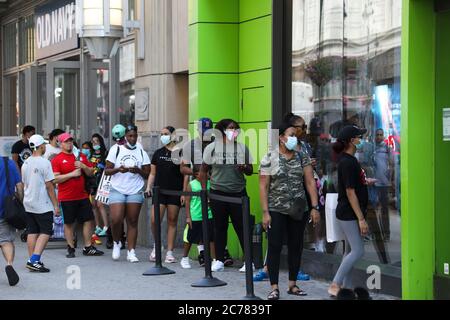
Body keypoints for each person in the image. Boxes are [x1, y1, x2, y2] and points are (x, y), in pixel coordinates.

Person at [259, 122, 320, 300]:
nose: (294, 138)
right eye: (291, 134)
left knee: (296, 246)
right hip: (276, 209)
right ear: (281, 137)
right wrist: (265, 212)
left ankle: (292, 284)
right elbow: (263, 187)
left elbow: (310, 182)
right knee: (275, 246)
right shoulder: (269, 157)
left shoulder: (302, 157)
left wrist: (315, 207)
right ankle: (274, 287)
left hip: (298, 209)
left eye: (295, 135)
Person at [200, 119, 253, 272]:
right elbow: (203, 171)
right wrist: (205, 192)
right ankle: (219, 260)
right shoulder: (211, 148)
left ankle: (249, 261)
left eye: (236, 129)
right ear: (222, 131)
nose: (234, 131)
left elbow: (250, 170)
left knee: (242, 227)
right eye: (231, 128)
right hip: (218, 192)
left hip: (238, 193)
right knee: (219, 227)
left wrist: (244, 168)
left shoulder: (243, 148)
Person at [328, 125, 370, 297]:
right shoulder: (348, 162)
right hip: (349, 214)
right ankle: (335, 284)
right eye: (359, 137)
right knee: (358, 251)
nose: (362, 140)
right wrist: (361, 219)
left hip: (348, 212)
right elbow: (350, 192)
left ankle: (348, 288)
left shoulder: (349, 160)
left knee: (349, 252)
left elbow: (353, 186)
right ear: (352, 141)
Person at [51, 133, 104, 258]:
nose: (69, 143)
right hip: (66, 197)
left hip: (82, 195)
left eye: (70, 141)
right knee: (68, 223)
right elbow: (55, 179)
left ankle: (87, 247)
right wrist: (72, 174)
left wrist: (84, 166)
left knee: (88, 220)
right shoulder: (57, 159)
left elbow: (91, 173)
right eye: (66, 141)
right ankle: (70, 247)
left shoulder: (80, 156)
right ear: (60, 144)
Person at [105, 125, 150, 262]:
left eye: (135, 136)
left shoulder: (141, 151)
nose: (133, 138)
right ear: (125, 136)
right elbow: (107, 171)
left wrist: (138, 170)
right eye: (130, 136)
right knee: (116, 219)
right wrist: (119, 169)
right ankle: (117, 242)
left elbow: (147, 173)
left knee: (132, 221)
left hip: (135, 189)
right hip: (118, 188)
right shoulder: (116, 149)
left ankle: (131, 251)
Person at [146, 126, 186, 263]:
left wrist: (184, 193)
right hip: (159, 191)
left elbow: (185, 174)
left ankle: (170, 252)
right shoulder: (157, 153)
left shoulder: (180, 152)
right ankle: (157, 246)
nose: (163, 136)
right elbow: (152, 173)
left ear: (173, 135)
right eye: (161, 134)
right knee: (154, 219)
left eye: (166, 134)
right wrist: (148, 187)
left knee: (172, 220)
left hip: (175, 191)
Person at [22, 135, 60, 272]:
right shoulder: (45, 163)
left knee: (32, 231)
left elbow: (25, 183)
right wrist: (55, 204)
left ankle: (31, 260)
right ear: (41, 146)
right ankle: (34, 260)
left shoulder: (26, 163)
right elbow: (49, 186)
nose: (45, 147)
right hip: (42, 203)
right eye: (43, 145)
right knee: (46, 231)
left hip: (29, 201)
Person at [180, 118, 215, 266]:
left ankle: (214, 255)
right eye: (203, 131)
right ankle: (200, 252)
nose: (206, 134)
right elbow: (182, 168)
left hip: (215, 185)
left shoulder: (217, 144)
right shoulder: (190, 146)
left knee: (213, 221)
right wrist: (196, 172)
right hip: (197, 185)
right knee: (195, 221)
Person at [180, 165, 215, 269]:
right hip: (195, 215)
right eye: (203, 172)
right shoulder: (192, 185)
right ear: (196, 174)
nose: (206, 174)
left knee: (211, 238)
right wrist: (188, 217)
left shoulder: (210, 183)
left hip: (208, 215)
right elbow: (187, 201)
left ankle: (214, 260)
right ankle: (184, 258)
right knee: (190, 238)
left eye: (207, 172)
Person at [0, 156, 23, 286]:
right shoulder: (7, 162)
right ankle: (9, 264)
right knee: (5, 240)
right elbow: (19, 186)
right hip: (5, 208)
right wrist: (20, 201)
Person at [373, 129, 393, 242]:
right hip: (373, 184)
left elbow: (392, 165)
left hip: (383, 184)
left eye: (381, 135)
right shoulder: (371, 148)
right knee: (372, 210)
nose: (379, 137)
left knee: (384, 210)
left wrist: (390, 180)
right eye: (377, 135)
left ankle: (386, 233)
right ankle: (375, 233)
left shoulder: (387, 148)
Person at [89, 134, 109, 237]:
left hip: (102, 181)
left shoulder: (105, 153)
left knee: (100, 204)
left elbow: (109, 167)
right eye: (93, 142)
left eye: (97, 141)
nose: (95, 143)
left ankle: (106, 226)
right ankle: (98, 226)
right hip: (92, 181)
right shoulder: (91, 154)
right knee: (94, 205)